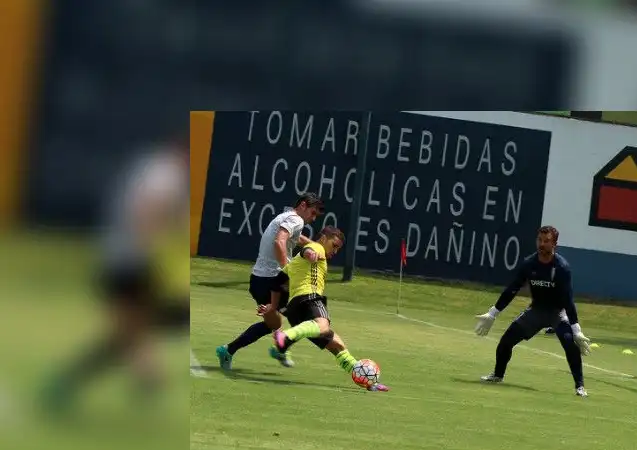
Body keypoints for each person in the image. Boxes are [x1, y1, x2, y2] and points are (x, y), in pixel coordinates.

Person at [40, 138, 190, 416]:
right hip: (131, 263)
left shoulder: (160, 170)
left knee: (129, 334)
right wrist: (156, 257)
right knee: (136, 330)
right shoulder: (166, 173)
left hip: (127, 260)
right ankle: (141, 373)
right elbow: (147, 213)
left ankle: (137, 369)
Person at [474, 225, 591, 397]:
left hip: (558, 313)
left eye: (546, 241)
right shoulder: (529, 264)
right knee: (506, 341)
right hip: (536, 311)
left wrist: (577, 330)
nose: (542, 244)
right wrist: (493, 313)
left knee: (570, 344)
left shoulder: (561, 268)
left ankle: (579, 386)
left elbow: (568, 300)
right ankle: (497, 375)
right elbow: (512, 289)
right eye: (540, 240)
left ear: (554, 245)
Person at [269, 226, 390, 392]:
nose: (336, 251)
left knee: (337, 345)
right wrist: (311, 254)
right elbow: (309, 250)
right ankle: (286, 336)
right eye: (335, 245)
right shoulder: (317, 248)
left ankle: (369, 383)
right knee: (323, 326)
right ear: (324, 238)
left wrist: (273, 308)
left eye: (339, 249)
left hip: (295, 310)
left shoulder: (295, 263)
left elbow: (277, 283)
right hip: (309, 299)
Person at [216, 193, 322, 370]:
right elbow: (279, 242)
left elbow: (295, 238)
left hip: (258, 281)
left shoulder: (286, 217)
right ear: (303, 205)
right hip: (273, 281)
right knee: (307, 319)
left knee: (272, 324)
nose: (313, 218)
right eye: (312, 213)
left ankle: (228, 350)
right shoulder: (296, 219)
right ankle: (281, 348)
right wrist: (287, 272)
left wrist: (315, 246)